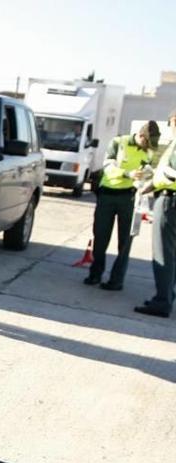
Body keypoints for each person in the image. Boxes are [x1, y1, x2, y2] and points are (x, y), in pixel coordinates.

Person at [84, 121, 160, 291]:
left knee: (125, 241)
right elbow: (108, 166)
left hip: (130, 198)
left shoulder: (148, 151)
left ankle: (116, 280)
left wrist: (146, 175)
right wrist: (127, 173)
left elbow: (147, 168)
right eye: (147, 142)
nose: (149, 147)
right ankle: (95, 273)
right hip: (108, 195)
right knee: (101, 237)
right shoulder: (119, 142)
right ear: (141, 136)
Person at [135, 109, 176, 317]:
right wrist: (152, 185)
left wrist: (156, 181)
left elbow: (171, 173)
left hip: (170, 201)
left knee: (163, 253)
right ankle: (168, 295)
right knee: (172, 253)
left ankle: (162, 301)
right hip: (167, 194)